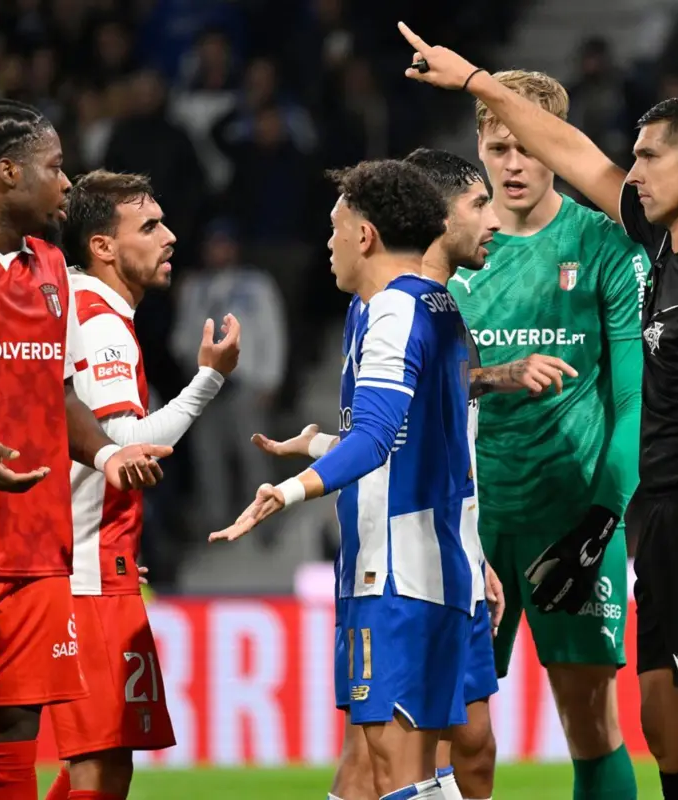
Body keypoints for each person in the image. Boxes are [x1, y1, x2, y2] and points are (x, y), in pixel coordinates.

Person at [402, 25, 678, 800]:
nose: (630, 172)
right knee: (667, 730)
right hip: (643, 522)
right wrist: (475, 78)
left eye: (647, 158)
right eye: (499, 148)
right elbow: (578, 153)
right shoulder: (664, 244)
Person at [255, 148, 576, 800]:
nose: (493, 219)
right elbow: (387, 435)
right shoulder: (384, 307)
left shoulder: (431, 308)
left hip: (436, 552)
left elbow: (425, 433)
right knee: (385, 759)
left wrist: (469, 546)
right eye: (478, 204)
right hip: (399, 562)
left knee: (451, 749)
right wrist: (316, 456)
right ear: (436, 214)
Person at [0, 98, 170, 800]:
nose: (67, 183)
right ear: (6, 173)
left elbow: (61, 395)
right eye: (55, 167)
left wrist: (106, 455)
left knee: (11, 738)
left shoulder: (51, 267)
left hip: (33, 548)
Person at [412, 58, 649, 800]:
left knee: (591, 724)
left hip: (571, 517)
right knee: (452, 733)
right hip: (470, 520)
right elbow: (415, 391)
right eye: (498, 148)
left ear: (555, 145)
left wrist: (602, 520)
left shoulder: (604, 244)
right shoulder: (448, 255)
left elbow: (634, 400)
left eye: (528, 147)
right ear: (479, 147)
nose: (513, 165)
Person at [211, 158, 475, 800]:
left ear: (365, 235)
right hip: (422, 561)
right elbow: (414, 441)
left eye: (335, 229)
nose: (328, 244)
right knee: (377, 768)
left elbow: (377, 439)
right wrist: (319, 443)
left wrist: (287, 489)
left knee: (397, 772)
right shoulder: (433, 303)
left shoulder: (394, 312)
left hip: (399, 572)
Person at [41, 170, 242, 800]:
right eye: (149, 226)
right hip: (86, 571)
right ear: (103, 246)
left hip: (87, 555)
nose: (170, 236)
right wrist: (209, 379)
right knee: (102, 766)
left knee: (94, 761)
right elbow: (125, 448)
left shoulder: (76, 304)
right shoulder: (101, 323)